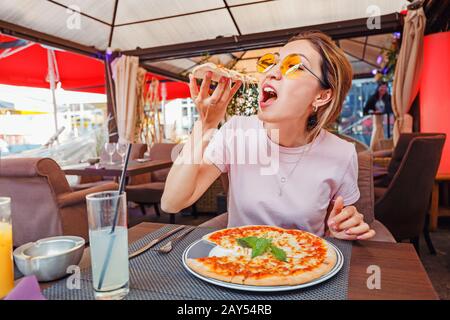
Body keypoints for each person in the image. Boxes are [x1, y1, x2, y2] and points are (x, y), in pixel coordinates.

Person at [162, 31, 375, 240]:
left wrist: (342, 229)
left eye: (294, 66)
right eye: (271, 63)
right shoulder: (237, 132)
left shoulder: (342, 153)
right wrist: (206, 124)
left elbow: (336, 223)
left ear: (322, 96)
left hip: (305, 266)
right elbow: (172, 202)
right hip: (237, 264)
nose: (272, 72)